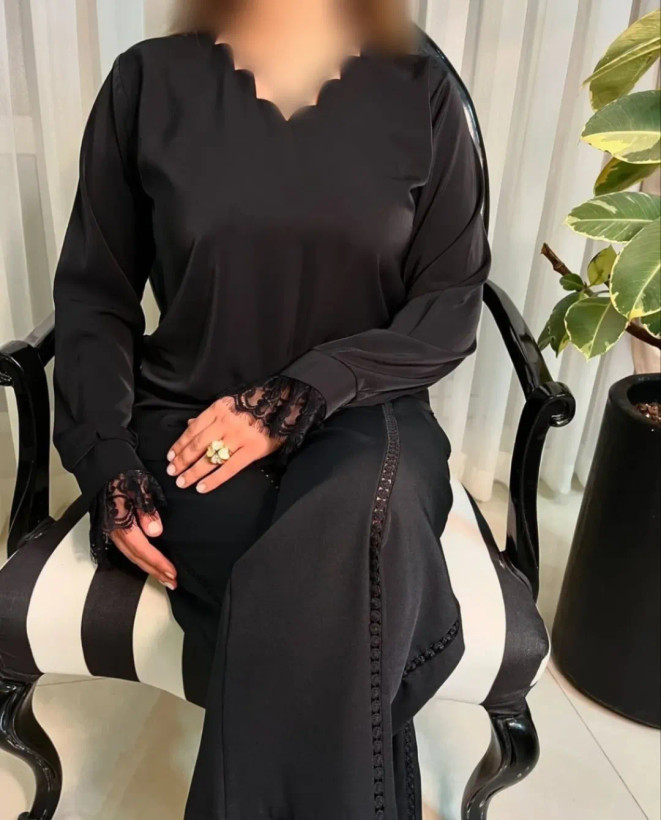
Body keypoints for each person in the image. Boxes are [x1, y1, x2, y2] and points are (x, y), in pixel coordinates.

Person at [52, 0, 490, 816]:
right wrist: (104, 453)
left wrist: (294, 396)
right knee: (356, 591)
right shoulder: (146, 83)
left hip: (369, 415)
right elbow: (95, 298)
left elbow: (450, 304)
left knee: (355, 539)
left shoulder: (422, 88)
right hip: (191, 429)